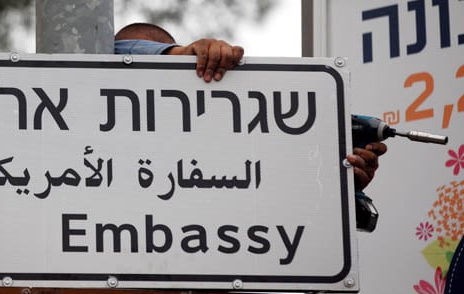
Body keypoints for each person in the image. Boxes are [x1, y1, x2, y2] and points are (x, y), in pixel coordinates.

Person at [114, 22, 387, 192]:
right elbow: (116, 52)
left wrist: (341, 192)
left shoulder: (215, 151)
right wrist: (175, 56)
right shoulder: (105, 151)